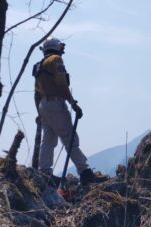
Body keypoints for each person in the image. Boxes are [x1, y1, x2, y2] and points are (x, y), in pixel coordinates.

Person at [33, 37, 107, 185]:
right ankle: (85, 172)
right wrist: (73, 103)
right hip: (56, 104)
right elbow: (61, 84)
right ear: (56, 47)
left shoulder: (39, 66)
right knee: (69, 138)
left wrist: (39, 113)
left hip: (44, 106)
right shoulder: (56, 60)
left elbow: (36, 93)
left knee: (48, 141)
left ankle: (45, 173)